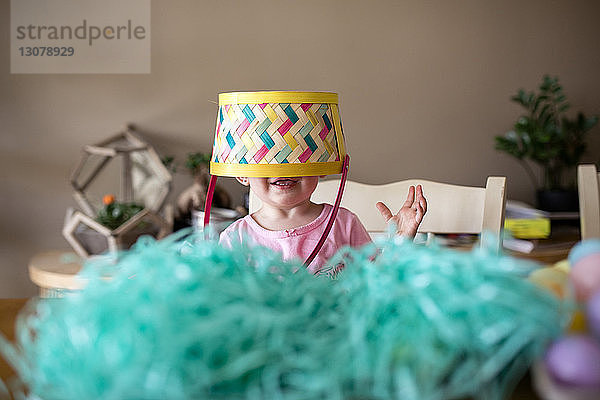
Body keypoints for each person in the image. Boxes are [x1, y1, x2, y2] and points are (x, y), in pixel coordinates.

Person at [219, 175, 427, 274]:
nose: (284, 169)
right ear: (243, 174)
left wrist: (399, 240)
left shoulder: (343, 223)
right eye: (267, 161)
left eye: (298, 159)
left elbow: (374, 279)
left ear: (321, 168)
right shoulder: (234, 237)